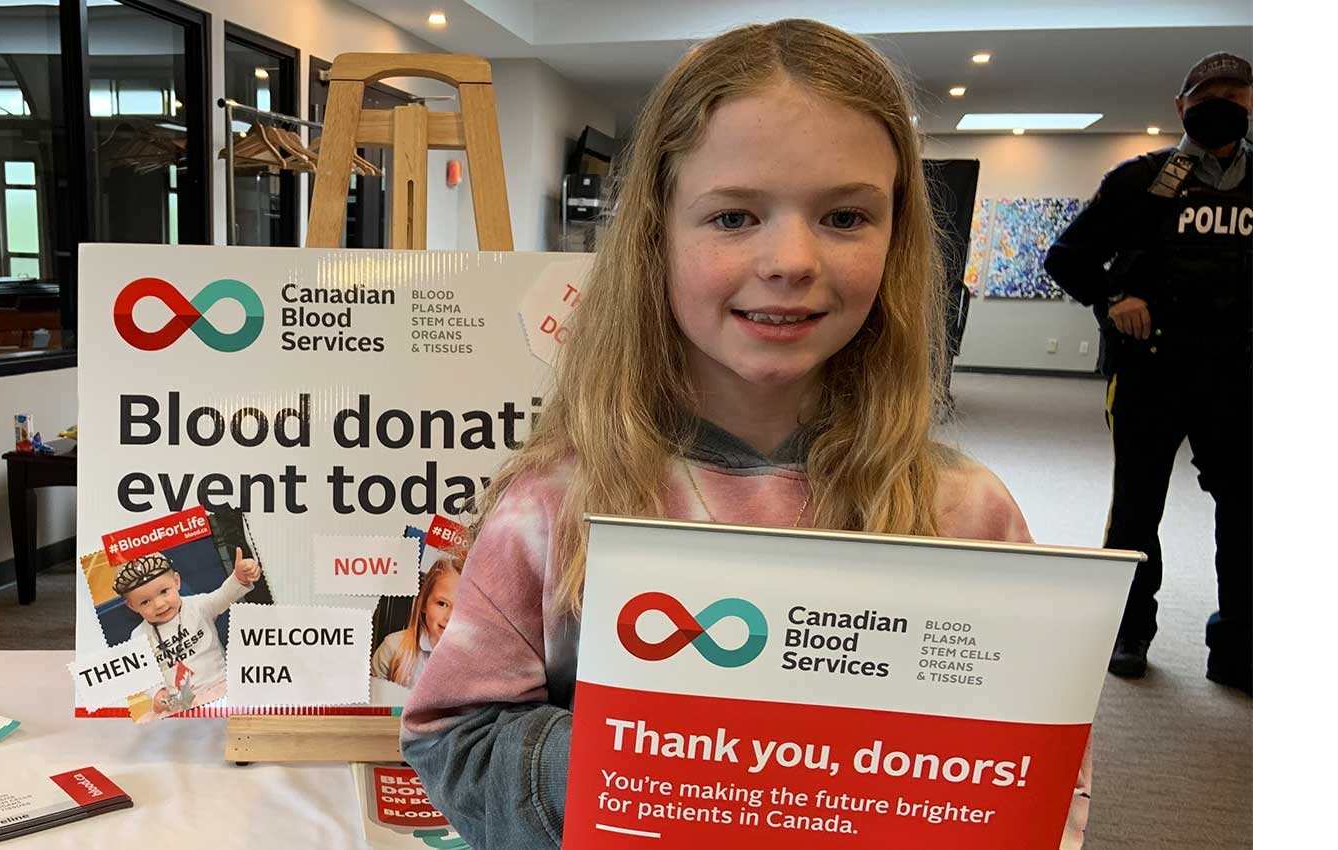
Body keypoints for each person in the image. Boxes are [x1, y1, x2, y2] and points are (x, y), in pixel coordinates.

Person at [400, 20, 1092, 850]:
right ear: (657, 233)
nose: (791, 259)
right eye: (732, 216)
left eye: (843, 215)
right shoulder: (555, 503)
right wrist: (706, 774)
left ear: (896, 236)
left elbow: (1045, 780)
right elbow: (452, 736)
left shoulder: (967, 513)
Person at [1043, 53, 1251, 692]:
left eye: (1233, 92)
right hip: (1150, 372)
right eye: (1206, 92)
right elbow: (1066, 258)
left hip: (1241, 377)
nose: (1220, 102)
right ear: (1182, 105)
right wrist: (1113, 296)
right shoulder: (1141, 180)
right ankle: (1131, 630)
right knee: (1136, 510)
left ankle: (1240, 644)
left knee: (1247, 511)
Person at [112, 549, 262, 713]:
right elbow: (145, 674)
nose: (159, 604)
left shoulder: (198, 606)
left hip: (221, 687)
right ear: (132, 606)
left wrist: (238, 578)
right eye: (145, 602)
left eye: (164, 592)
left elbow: (223, 596)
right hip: (181, 705)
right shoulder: (139, 635)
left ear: (176, 581)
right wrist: (157, 694)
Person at [373, 559, 462, 688]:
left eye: (462, 608)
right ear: (424, 603)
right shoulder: (392, 648)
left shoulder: (473, 665)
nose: (450, 617)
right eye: (442, 604)